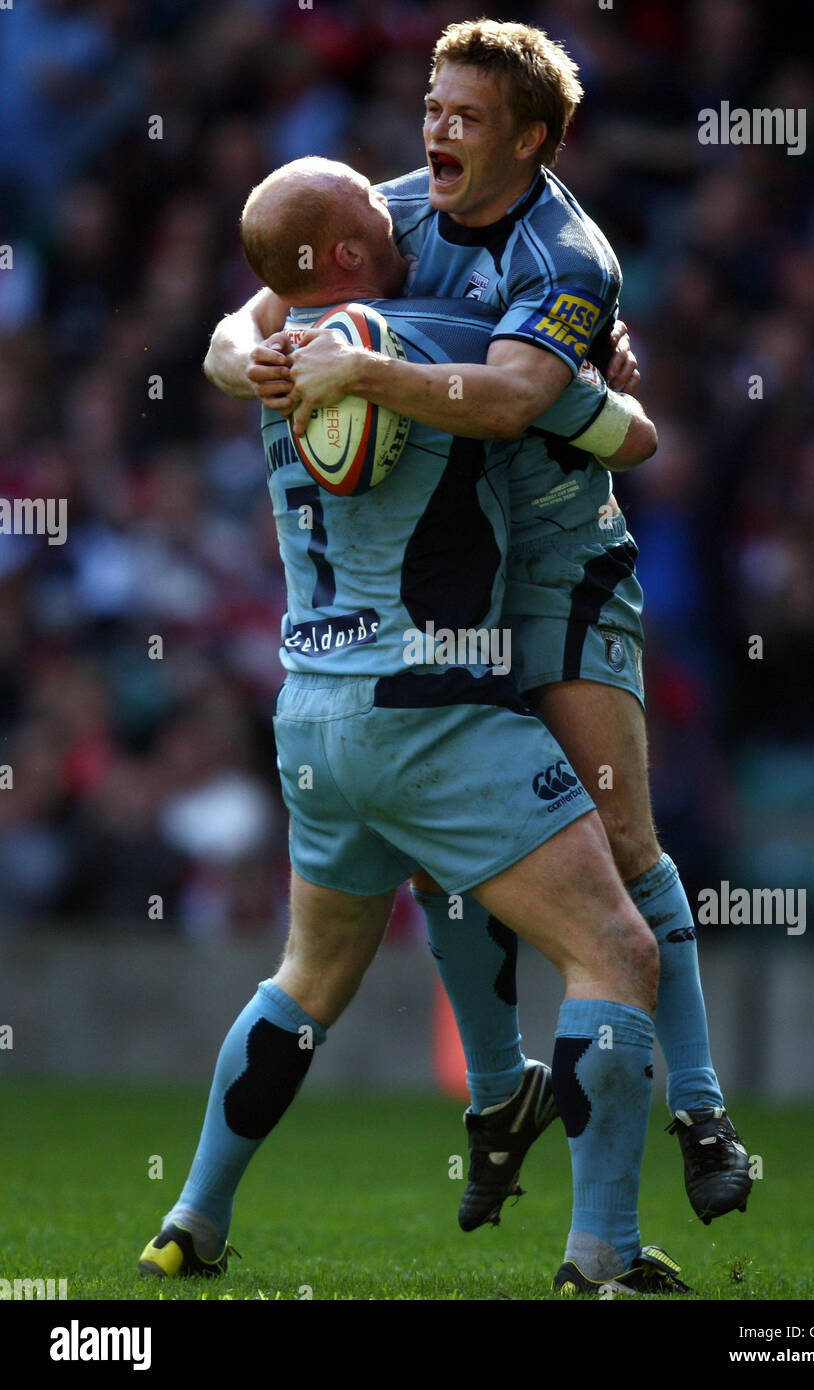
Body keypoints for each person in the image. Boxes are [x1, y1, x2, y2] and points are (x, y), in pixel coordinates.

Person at [204, 18, 751, 1240]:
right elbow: (235, 330)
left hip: (556, 561)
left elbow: (513, 401)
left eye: (463, 115)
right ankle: (500, 1104)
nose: (435, 131)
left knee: (614, 837)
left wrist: (361, 376)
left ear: (532, 137)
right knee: (464, 859)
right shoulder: (382, 213)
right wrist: (274, 368)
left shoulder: (567, 253)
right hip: (454, 582)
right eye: (431, 106)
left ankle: (700, 1110)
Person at [139, 157, 685, 1297]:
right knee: (616, 950)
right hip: (431, 707)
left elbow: (222, 339)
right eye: (372, 214)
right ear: (345, 254)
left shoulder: (274, 354)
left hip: (310, 712)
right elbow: (625, 440)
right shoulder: (443, 326)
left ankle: (192, 1214)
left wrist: (242, 345)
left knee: (307, 975)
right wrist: (600, 365)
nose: (399, 219)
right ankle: (604, 1253)